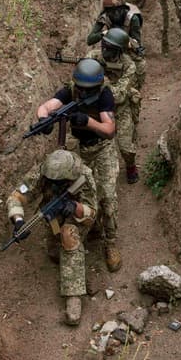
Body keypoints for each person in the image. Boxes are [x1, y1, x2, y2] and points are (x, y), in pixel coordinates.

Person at [35, 59, 122, 273]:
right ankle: (75, 232)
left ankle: (110, 242)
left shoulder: (104, 95)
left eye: (87, 90)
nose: (82, 93)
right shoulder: (70, 91)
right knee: (69, 192)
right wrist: (43, 120)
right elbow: (48, 105)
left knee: (107, 198)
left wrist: (88, 122)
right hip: (77, 149)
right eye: (80, 89)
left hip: (101, 148)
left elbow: (109, 129)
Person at [6, 149, 99, 326]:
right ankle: (63, 250)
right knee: (55, 253)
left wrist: (74, 206)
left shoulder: (84, 175)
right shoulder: (40, 173)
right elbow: (16, 196)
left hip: (79, 216)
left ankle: (74, 295)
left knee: (68, 236)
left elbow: (92, 213)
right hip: (52, 215)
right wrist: (18, 221)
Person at [87, 28, 142, 184]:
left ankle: (131, 166)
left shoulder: (129, 65)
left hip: (120, 108)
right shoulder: (93, 57)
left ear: (119, 50)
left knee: (126, 147)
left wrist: (101, 81)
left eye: (109, 48)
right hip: (98, 107)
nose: (104, 50)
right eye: (104, 45)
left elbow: (118, 97)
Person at [86, 0, 144, 89]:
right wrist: (103, 34)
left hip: (128, 49)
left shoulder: (133, 18)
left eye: (115, 10)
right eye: (109, 11)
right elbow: (90, 40)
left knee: (137, 72)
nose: (112, 14)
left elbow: (137, 44)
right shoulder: (105, 16)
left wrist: (124, 41)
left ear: (122, 9)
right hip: (111, 48)